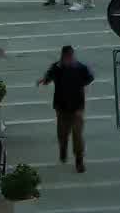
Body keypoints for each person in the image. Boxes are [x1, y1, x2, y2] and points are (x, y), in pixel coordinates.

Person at [37, 45, 93, 173]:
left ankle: (79, 161)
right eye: (66, 57)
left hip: (77, 107)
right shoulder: (57, 68)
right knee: (62, 134)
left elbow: (89, 78)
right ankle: (63, 148)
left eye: (70, 57)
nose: (68, 59)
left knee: (77, 136)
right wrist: (44, 80)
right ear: (63, 56)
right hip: (61, 107)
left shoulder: (80, 68)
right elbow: (48, 77)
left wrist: (79, 85)